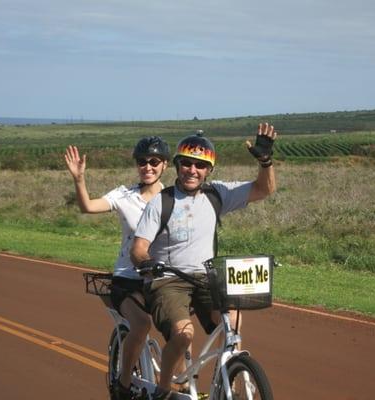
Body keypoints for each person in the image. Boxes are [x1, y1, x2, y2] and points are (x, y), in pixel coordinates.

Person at [131, 122, 278, 400]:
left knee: (233, 320)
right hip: (168, 280)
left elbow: (264, 189)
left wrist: (265, 161)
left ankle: (228, 382)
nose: (192, 170)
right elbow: (138, 249)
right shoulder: (160, 203)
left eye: (200, 165)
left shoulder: (216, 194)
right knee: (184, 334)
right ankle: (164, 388)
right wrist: (148, 262)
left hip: (205, 278)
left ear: (209, 170)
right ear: (177, 165)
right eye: (186, 163)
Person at [64, 137, 170, 400]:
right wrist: (79, 179)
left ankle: (174, 388)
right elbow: (88, 206)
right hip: (128, 280)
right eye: (142, 161)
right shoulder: (125, 196)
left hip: (160, 279)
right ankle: (123, 384)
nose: (148, 166)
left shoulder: (174, 197)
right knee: (142, 323)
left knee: (178, 330)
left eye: (154, 161)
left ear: (164, 165)